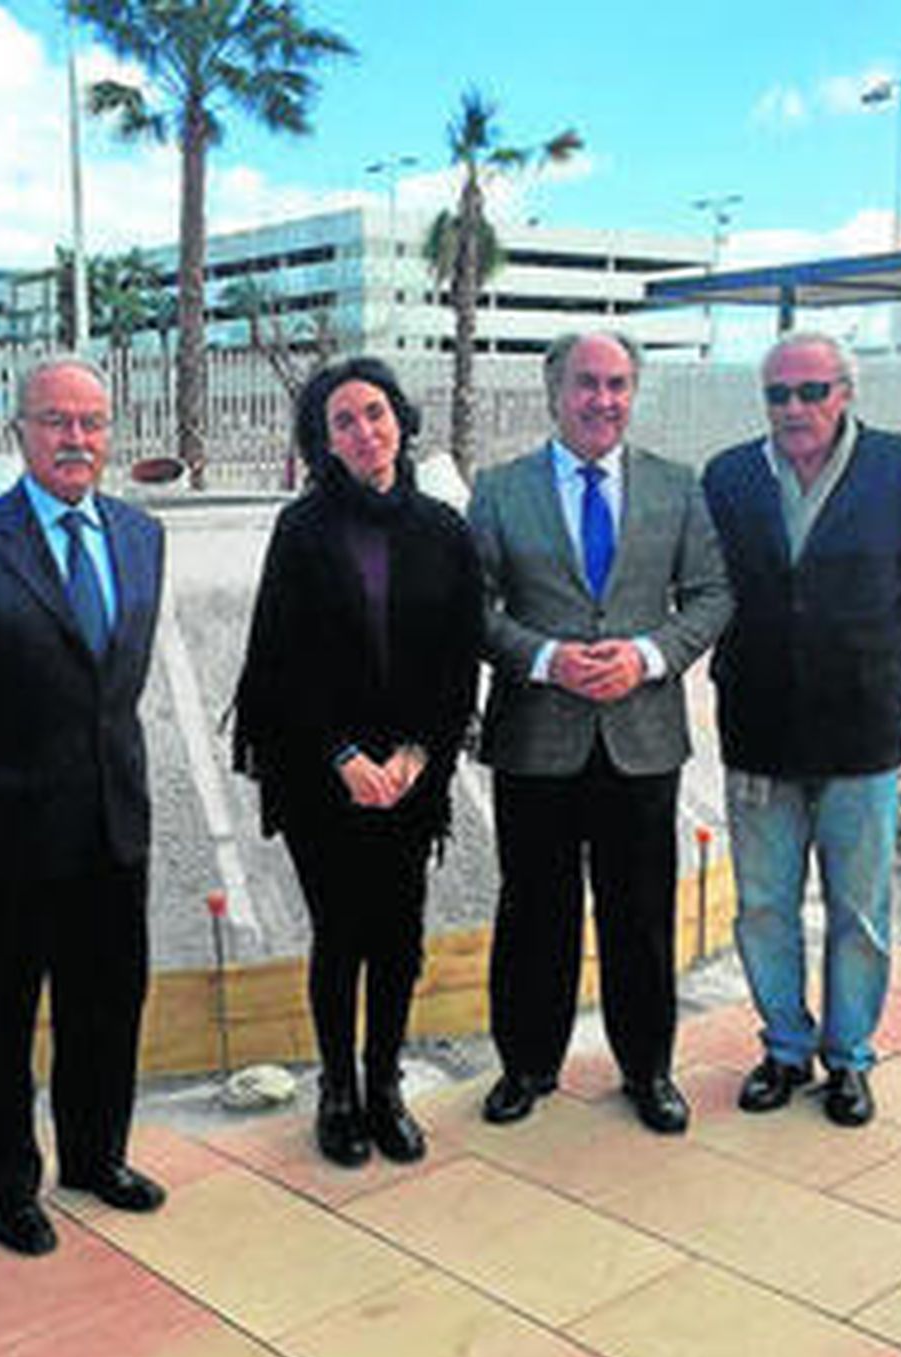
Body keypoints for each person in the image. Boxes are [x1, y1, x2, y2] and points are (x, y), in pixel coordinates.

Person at [0, 355, 167, 1256]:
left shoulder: (141, 536)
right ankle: (7, 1183)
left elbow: (115, 686)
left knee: (108, 1006)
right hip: (9, 832)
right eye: (55, 420)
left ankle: (97, 1155)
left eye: (91, 421)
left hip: (113, 824)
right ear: (19, 430)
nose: (76, 437)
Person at [467, 331, 730, 1134]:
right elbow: (474, 608)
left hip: (641, 739)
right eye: (587, 383)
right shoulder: (500, 488)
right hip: (535, 739)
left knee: (640, 915)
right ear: (555, 392)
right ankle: (526, 1065)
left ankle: (648, 1069)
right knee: (533, 913)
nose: (602, 399)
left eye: (617, 384)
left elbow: (713, 595)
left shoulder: (676, 487)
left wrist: (649, 656)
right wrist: (544, 658)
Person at [703, 332, 901, 1127]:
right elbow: (706, 587)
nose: (794, 409)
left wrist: (879, 662)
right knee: (763, 906)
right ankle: (784, 1048)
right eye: (778, 395)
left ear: (845, 393)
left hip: (862, 735)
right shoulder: (731, 477)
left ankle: (849, 1058)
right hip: (759, 729)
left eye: (811, 391)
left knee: (858, 910)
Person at [233, 358, 481, 1168]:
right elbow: (278, 664)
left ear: (401, 420)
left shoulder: (445, 530)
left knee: (399, 938)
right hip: (323, 778)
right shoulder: (301, 531)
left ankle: (385, 1085)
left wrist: (415, 752)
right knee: (340, 935)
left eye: (374, 412)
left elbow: (457, 659)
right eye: (343, 421)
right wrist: (341, 755)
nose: (364, 431)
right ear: (323, 440)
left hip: (412, 776)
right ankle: (337, 1091)